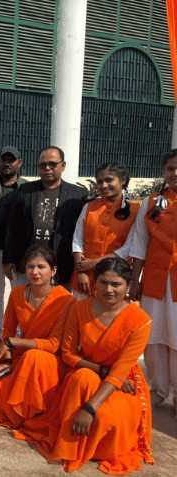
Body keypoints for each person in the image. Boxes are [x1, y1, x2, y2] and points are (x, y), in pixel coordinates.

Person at [19, 257, 153, 474]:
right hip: (86, 371)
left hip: (122, 382)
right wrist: (100, 370)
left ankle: (86, 443)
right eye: (103, 282)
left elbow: (121, 370)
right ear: (94, 282)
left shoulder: (140, 320)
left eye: (116, 284)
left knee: (106, 418)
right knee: (82, 377)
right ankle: (67, 446)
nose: (109, 289)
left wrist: (90, 408)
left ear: (128, 286)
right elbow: (68, 354)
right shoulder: (79, 308)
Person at [0, 245, 74, 428]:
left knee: (33, 357)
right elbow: (8, 331)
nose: (35, 272)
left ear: (53, 271)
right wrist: (8, 360)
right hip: (22, 354)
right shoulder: (17, 293)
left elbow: (54, 345)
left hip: (51, 360)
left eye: (41, 267)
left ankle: (30, 414)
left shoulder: (65, 299)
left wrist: (14, 342)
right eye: (30, 267)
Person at [127, 150, 177, 413]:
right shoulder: (151, 204)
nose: (175, 173)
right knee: (155, 335)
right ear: (163, 172)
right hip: (155, 279)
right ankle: (159, 389)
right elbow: (139, 243)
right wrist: (134, 280)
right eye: (170, 168)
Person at [3, 146, 86, 286]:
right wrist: (8, 259)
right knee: (25, 299)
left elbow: (82, 232)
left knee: (59, 300)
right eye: (43, 165)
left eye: (52, 164)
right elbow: (12, 227)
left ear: (63, 165)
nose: (47, 168)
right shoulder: (25, 191)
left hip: (61, 265)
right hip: (28, 265)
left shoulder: (78, 195)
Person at [71, 163, 138, 297]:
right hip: (85, 277)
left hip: (116, 278)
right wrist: (81, 271)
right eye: (100, 181)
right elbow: (77, 240)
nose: (103, 185)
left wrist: (95, 263)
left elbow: (130, 247)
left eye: (109, 180)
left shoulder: (135, 210)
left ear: (123, 180)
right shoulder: (89, 207)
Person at [0, 146, 27, 336]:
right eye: (4, 160)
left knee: (20, 293)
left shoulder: (27, 189)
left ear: (19, 163)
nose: (7, 163)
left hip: (18, 250)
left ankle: (20, 331)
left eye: (11, 160)